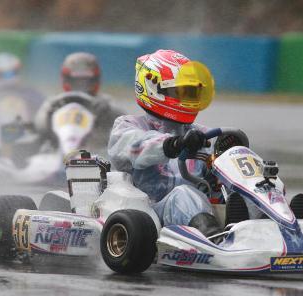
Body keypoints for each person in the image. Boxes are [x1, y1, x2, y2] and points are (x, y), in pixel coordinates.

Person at [108, 49, 222, 238]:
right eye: (180, 91)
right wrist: (173, 144)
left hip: (199, 212)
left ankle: (267, 233)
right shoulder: (128, 126)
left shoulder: (202, 134)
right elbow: (138, 146)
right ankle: (216, 242)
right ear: (153, 88)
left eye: (191, 92)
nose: (187, 98)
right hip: (146, 216)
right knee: (182, 195)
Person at [34, 52, 124, 155]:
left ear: (95, 80)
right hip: (58, 152)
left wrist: (107, 111)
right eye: (76, 81)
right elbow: (39, 126)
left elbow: (124, 124)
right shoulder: (54, 104)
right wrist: (49, 113)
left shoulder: (106, 103)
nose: (81, 85)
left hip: (97, 153)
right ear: (66, 79)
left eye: (86, 81)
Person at [0, 52, 44, 146]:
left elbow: (45, 108)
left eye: (11, 73)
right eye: (4, 75)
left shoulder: (30, 93)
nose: (8, 77)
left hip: (29, 137)